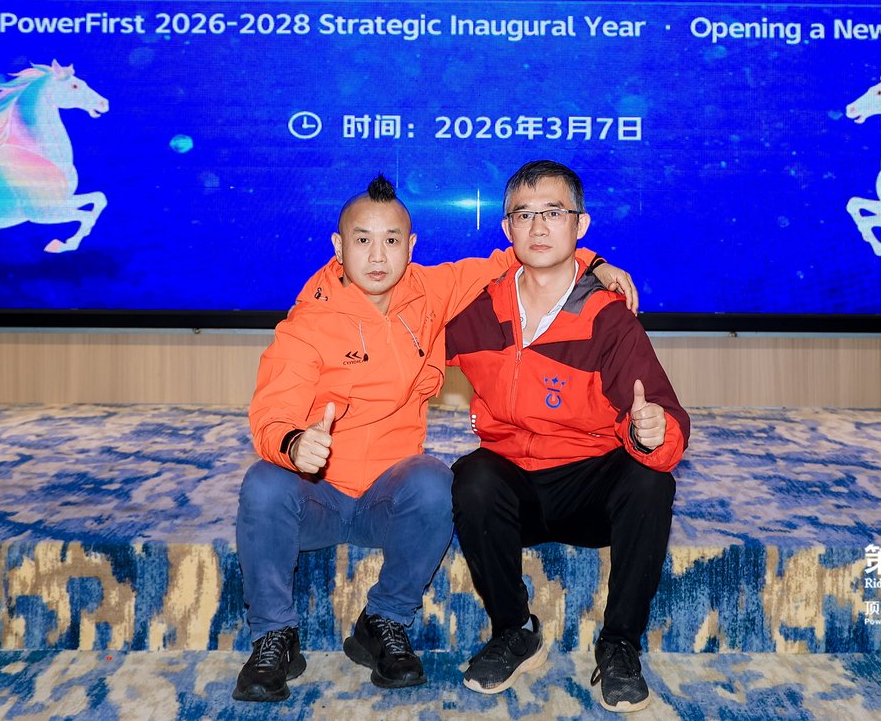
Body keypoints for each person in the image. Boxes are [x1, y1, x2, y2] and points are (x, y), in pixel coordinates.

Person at [234, 174, 636, 702]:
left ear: (411, 246)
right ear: (338, 245)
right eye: (362, 240)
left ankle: (383, 620)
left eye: (391, 240)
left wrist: (592, 262)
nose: (377, 256)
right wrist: (293, 443)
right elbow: (270, 413)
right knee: (263, 483)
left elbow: (518, 258)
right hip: (317, 500)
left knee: (435, 479)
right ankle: (274, 637)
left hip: (387, 504)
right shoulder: (307, 322)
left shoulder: (431, 292)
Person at [446, 159, 690, 713]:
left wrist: (653, 432)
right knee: (470, 477)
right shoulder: (476, 308)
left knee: (651, 481)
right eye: (524, 215)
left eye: (554, 213)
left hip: (587, 489)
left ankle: (619, 645)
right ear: (506, 229)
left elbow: (664, 410)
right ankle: (514, 630)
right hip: (515, 491)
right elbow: (405, 344)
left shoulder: (608, 317)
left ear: (580, 225)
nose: (538, 227)